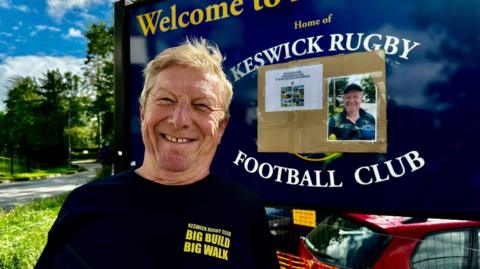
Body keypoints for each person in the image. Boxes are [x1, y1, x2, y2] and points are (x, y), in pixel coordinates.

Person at [36, 38, 280, 269]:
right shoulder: (84, 202)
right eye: (165, 100)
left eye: (201, 105)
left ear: (221, 127)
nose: (179, 120)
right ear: (143, 113)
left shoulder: (245, 212)